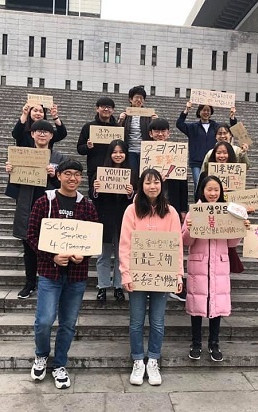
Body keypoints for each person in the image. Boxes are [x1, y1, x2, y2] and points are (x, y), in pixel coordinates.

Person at [26, 160, 99, 388]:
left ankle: (59, 364)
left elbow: (92, 238)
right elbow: (31, 235)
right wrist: (52, 257)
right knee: (45, 320)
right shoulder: (44, 201)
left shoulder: (86, 205)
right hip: (50, 272)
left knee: (68, 323)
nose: (73, 178)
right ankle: (41, 355)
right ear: (58, 175)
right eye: (68, 173)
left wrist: (83, 255)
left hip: (76, 275)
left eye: (77, 174)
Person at [119, 168, 184, 386]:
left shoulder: (171, 212)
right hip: (137, 275)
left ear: (161, 185)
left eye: (156, 182)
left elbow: (177, 244)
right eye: (148, 182)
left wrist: (178, 275)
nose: (152, 186)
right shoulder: (131, 210)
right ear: (141, 185)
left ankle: (153, 359)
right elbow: (125, 244)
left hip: (161, 275)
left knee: (157, 321)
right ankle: (138, 359)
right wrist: (125, 273)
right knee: (136, 321)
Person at [182, 176, 249, 361]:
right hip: (199, 263)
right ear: (202, 190)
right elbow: (186, 241)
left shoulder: (227, 213)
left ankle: (214, 343)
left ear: (221, 192)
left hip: (219, 264)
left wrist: (240, 228)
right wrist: (189, 229)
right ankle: (196, 343)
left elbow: (232, 242)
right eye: (209, 189)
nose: (212, 193)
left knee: (217, 304)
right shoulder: (194, 211)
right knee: (197, 304)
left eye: (216, 190)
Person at [5, 120, 68, 299]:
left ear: (51, 136)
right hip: (28, 206)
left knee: (52, 245)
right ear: (32, 134)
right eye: (38, 131)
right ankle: (30, 282)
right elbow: (14, 187)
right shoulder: (22, 155)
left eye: (46, 132)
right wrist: (11, 171)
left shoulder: (59, 158)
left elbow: (66, 185)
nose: (42, 134)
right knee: (28, 247)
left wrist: (53, 177)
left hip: (51, 208)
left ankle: (51, 282)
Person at [146, 118, 188, 302]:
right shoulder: (146, 154)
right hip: (150, 207)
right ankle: (149, 281)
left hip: (172, 207)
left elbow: (183, 183)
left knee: (172, 245)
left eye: (163, 131)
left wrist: (183, 208)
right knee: (151, 244)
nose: (160, 134)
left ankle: (173, 284)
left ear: (169, 133)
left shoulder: (176, 153)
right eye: (156, 131)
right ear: (150, 134)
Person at [91, 139, 136, 303]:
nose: (118, 155)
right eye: (115, 152)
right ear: (110, 154)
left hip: (124, 220)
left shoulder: (132, 173)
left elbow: (136, 199)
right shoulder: (100, 173)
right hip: (105, 219)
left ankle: (118, 286)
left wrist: (131, 193)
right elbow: (93, 197)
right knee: (103, 255)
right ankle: (102, 287)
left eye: (121, 152)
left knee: (121, 255)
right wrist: (95, 189)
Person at [6, 102, 67, 199]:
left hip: (43, 176)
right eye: (35, 110)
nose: (38, 113)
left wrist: (55, 117)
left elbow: (62, 133)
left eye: (41, 111)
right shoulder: (24, 131)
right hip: (25, 175)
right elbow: (16, 133)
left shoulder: (47, 133)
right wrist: (24, 114)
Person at [176, 101, 237, 191]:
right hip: (196, 161)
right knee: (198, 183)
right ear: (199, 112)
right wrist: (186, 110)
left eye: (208, 110)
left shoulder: (216, 126)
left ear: (211, 112)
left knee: (213, 184)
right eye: (204, 110)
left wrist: (232, 116)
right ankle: (198, 204)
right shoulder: (193, 127)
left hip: (212, 160)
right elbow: (179, 124)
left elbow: (232, 129)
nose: (206, 112)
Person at [77, 96, 119, 198]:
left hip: (114, 169)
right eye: (103, 106)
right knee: (95, 196)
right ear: (97, 109)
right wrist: (87, 147)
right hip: (94, 169)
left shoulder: (118, 129)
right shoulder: (88, 127)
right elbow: (80, 149)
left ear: (112, 110)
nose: (106, 109)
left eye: (109, 107)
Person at [117, 86, 158, 173]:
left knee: (145, 174)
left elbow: (156, 133)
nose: (139, 100)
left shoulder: (149, 115)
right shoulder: (125, 115)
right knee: (133, 174)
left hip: (146, 151)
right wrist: (120, 121)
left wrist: (156, 122)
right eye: (136, 97)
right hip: (130, 150)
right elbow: (117, 133)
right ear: (130, 99)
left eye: (141, 98)